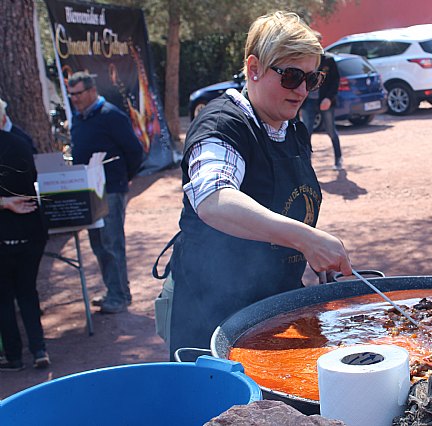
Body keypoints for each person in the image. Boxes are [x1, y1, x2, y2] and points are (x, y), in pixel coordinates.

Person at [167, 11, 351, 359]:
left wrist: (313, 252)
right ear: (254, 68)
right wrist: (305, 238)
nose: (301, 91)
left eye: (311, 79)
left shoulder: (291, 126)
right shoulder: (223, 126)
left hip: (279, 306)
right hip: (214, 317)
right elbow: (213, 199)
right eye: (291, 76)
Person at [68, 72, 144, 313]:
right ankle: (114, 290)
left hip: (110, 189)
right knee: (98, 244)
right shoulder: (79, 118)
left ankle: (120, 296)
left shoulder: (111, 115)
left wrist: (123, 178)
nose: (74, 99)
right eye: (71, 95)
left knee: (112, 243)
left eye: (78, 94)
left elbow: (134, 151)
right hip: (87, 191)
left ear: (92, 91)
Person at [0, 97, 50, 371]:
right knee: (27, 292)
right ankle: (39, 348)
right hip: (31, 232)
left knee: (5, 297)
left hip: (7, 235)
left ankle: (14, 356)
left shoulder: (18, 141)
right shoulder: (21, 141)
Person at [300, 32, 343, 170]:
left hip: (325, 101)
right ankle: (307, 165)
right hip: (309, 102)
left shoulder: (328, 60)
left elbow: (335, 81)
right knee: (306, 133)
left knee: (331, 130)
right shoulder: (304, 60)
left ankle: (338, 158)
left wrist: (329, 98)